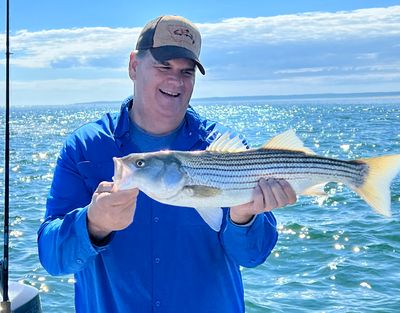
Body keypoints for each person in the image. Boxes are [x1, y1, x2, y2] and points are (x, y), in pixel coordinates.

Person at [38, 15, 296, 313]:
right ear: (134, 66)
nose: (176, 81)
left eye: (187, 72)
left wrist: (244, 217)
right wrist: (93, 224)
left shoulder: (224, 149)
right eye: (164, 67)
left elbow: (252, 255)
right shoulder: (84, 147)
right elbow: (52, 258)